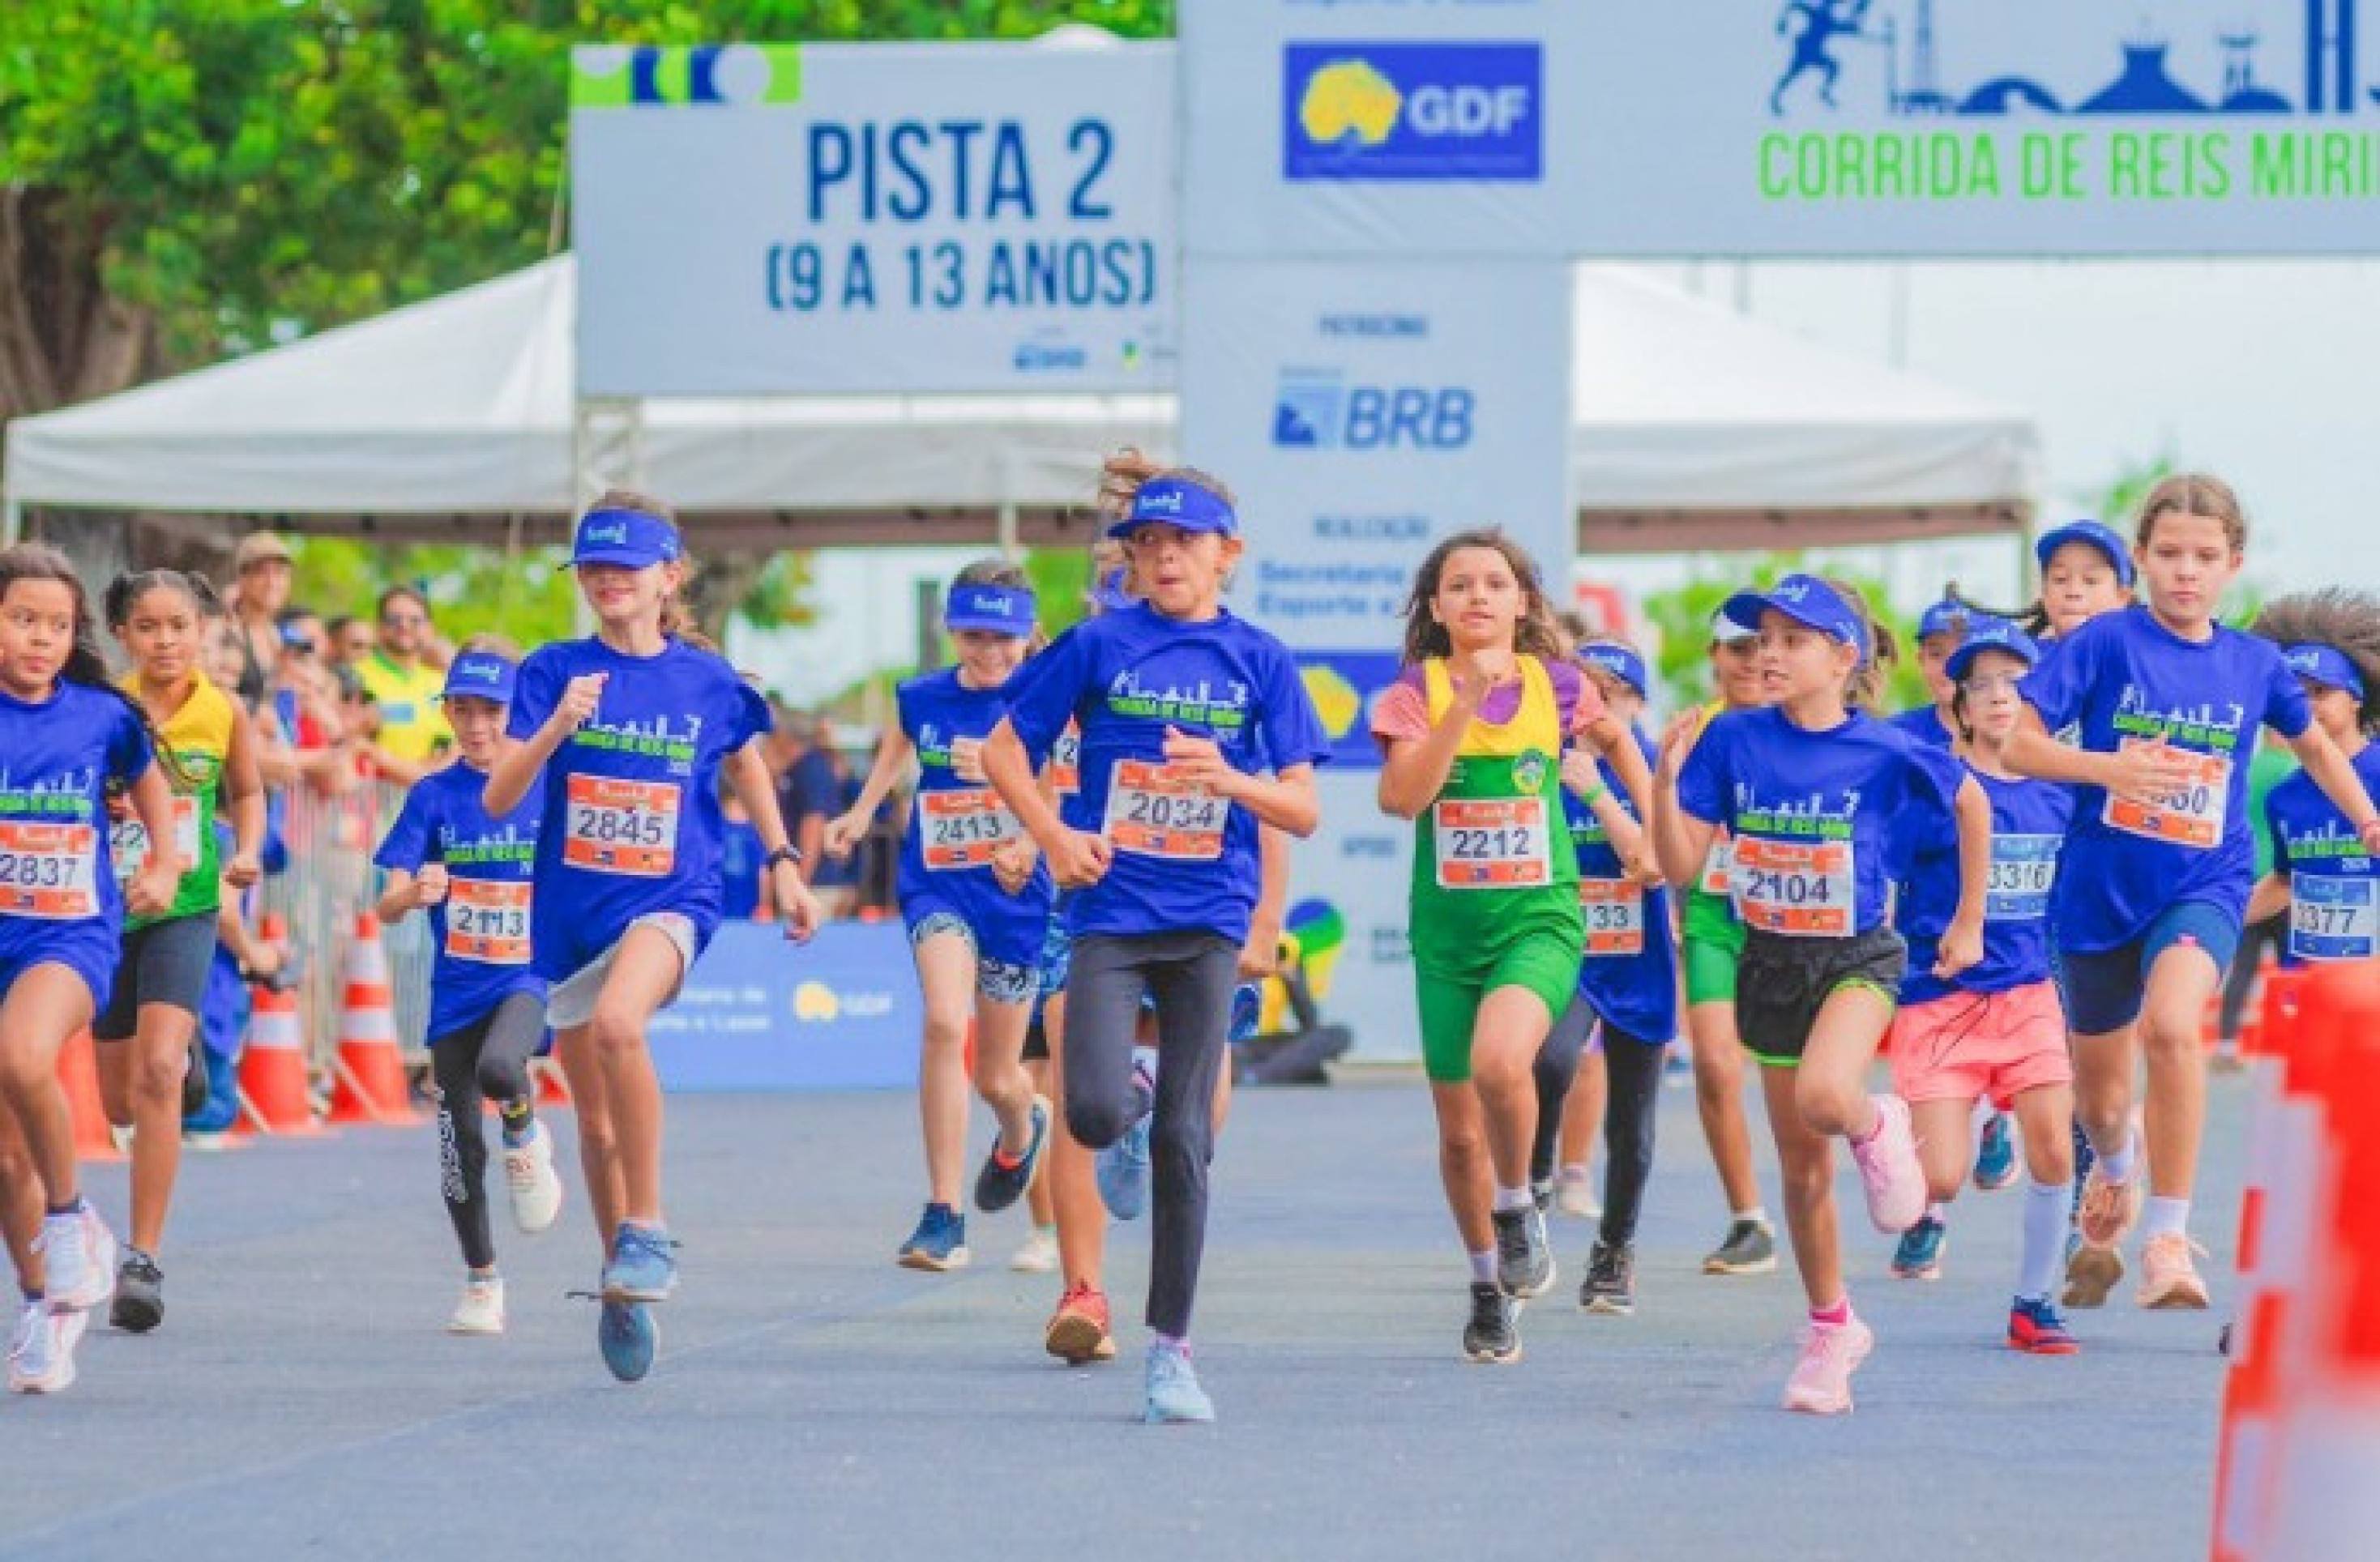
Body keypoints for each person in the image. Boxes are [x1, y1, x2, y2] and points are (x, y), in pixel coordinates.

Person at [982, 468, 1325, 1425]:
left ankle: (1171, 1351)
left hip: (1208, 920)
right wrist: (1054, 838)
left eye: (1186, 540)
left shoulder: (1259, 659)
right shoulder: (1097, 644)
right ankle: (1123, 1099)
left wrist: (1233, 778)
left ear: (1228, 553)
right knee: (1088, 1113)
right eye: (1149, 542)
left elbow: (1302, 804)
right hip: (1110, 914)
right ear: (1129, 555)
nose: (1166, 555)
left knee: (1187, 1137)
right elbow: (1007, 751)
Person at [2007, 476, 2380, 1312]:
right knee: (2101, 1103)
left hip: (2202, 880)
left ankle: (2169, 1239)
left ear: (2233, 565)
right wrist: (2110, 766)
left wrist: (2367, 820)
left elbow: (2315, 745)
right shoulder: (2103, 643)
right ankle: (2115, 1169)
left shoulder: (2252, 662)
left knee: (2175, 1026)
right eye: (2169, 554)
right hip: (2100, 888)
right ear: (2140, 560)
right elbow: (2021, 743)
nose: (2186, 571)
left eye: (2205, 557)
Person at [485, 492, 823, 1383]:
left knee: (624, 1024)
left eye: (624, 567)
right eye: (592, 568)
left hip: (674, 896)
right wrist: (559, 722)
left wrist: (784, 856)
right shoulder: (553, 669)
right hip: (568, 914)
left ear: (669, 575)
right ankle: (621, 1279)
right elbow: (498, 795)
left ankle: (647, 1225)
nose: (607, 581)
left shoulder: (709, 681)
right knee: (594, 1124)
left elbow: (746, 754)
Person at [1654, 572, 1988, 1415]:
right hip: (1769, 960)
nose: (1769, 653)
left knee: (1829, 1095)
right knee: (1801, 1173)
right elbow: (1681, 866)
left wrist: (1969, 919)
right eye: (1762, 638)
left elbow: (1974, 800)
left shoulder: (1887, 750)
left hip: (1858, 957)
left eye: (1792, 640)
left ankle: (1882, 1121)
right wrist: (1662, 782)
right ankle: (1831, 1327)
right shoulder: (1732, 741)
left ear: (1843, 656)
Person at [1374, 531, 1631, 1364]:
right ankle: (1488, 1285)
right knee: (1457, 1137)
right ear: (1437, 607)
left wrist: (1647, 827)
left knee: (1499, 1063)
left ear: (1523, 603)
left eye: (1496, 582)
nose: (1478, 595)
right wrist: (1459, 704)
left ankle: (1519, 1203)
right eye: (1459, 584)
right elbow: (1402, 797)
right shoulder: (1414, 693)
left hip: (1539, 919)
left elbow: (1626, 749)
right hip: (1449, 935)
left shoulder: (1558, 686)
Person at [826, 562, 1055, 1274]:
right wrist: (863, 809)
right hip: (940, 887)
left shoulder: (1045, 702)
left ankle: (1022, 1126)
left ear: (1026, 638)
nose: (988, 653)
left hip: (1016, 895)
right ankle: (943, 1214)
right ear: (951, 632)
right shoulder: (924, 698)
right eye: (974, 636)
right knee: (943, 1023)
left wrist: (1025, 837)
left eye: (1003, 639)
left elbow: (1063, 785)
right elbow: (900, 742)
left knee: (999, 1078)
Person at [0, 544, 181, 1395]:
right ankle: (44, 1303)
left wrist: (167, 862)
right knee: (4, 1159)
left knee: (24, 1055)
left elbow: (149, 786)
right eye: (22, 619)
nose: (40, 638)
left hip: (66, 937)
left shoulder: (99, 717)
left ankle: (75, 1218)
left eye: (56, 625)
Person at [1884, 617, 2083, 1353]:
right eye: (1983, 685)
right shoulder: (1933, 789)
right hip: (1939, 999)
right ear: (1960, 707)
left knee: (2055, 1152)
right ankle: (1888, 1126)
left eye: (2016, 683)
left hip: (2027, 994)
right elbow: (1882, 872)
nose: (2001, 697)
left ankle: (2033, 1304)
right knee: (1938, 1181)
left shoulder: (2060, 794)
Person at [93, 570, 267, 1333]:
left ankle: (143, 1259)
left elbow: (250, 790)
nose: (166, 641)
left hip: (186, 907)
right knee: (118, 1102)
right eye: (148, 627)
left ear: (203, 631)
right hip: (103, 914)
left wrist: (250, 849)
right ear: (123, 636)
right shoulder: (105, 710)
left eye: (179, 626)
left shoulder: (222, 710)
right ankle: (174, 1065)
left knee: (158, 1071)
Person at [375, 643, 565, 1336]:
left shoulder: (546, 783)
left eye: (493, 710)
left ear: (515, 713)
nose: (479, 724)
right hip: (456, 987)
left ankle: (524, 1126)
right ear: (448, 712)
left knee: (499, 1068)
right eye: (465, 709)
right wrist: (412, 894)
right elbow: (386, 899)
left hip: (525, 972)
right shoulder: (434, 794)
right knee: (458, 1149)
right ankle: (482, 1280)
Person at [1540, 639, 1676, 1319]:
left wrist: (1595, 790)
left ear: (1634, 704)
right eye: (1580, 694)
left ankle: (1613, 1250)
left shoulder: (1647, 765)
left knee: (1633, 1126)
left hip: (1636, 953)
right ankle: (1535, 1176)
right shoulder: (1541, 760)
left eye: (1610, 694)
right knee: (1550, 1058)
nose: (1592, 710)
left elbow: (1654, 866)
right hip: (1563, 949)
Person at [1676, 609, 1780, 1276]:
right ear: (1714, 655)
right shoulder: (1693, 733)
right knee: (1716, 1064)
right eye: (1736, 648)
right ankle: (1748, 1219)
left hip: (1793, 925)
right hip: (1715, 912)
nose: (1750, 661)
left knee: (1802, 1091)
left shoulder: (1809, 725)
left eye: (1764, 646)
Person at [2244, 593, 2380, 975]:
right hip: (2308, 983)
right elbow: (2285, 881)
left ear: (2356, 698)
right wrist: (2211, 922)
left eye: (2320, 691)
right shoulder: (2284, 797)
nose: (2306, 705)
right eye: (2296, 693)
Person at [2215, 729, 2297, 1069]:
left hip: (2247, 880)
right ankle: (2291, 1040)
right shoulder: (2292, 769)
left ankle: (2227, 1042)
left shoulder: (2248, 769)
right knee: (2291, 969)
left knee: (2243, 969)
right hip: (2281, 883)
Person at [354, 586, 452, 785]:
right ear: (379, 628)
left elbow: (457, 747)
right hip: (372, 800)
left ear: (430, 628)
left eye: (415, 620)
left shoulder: (444, 684)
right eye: (394, 619)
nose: (404, 626)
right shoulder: (355, 676)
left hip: (430, 802)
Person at [780, 711, 861, 920]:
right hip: (820, 880)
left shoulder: (810, 769)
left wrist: (800, 880)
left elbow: (814, 822)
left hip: (817, 882)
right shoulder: (806, 767)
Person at [228, 532, 297, 706]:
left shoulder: (280, 636)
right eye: (262, 572)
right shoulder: (226, 633)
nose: (272, 582)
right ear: (242, 579)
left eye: (280, 573)